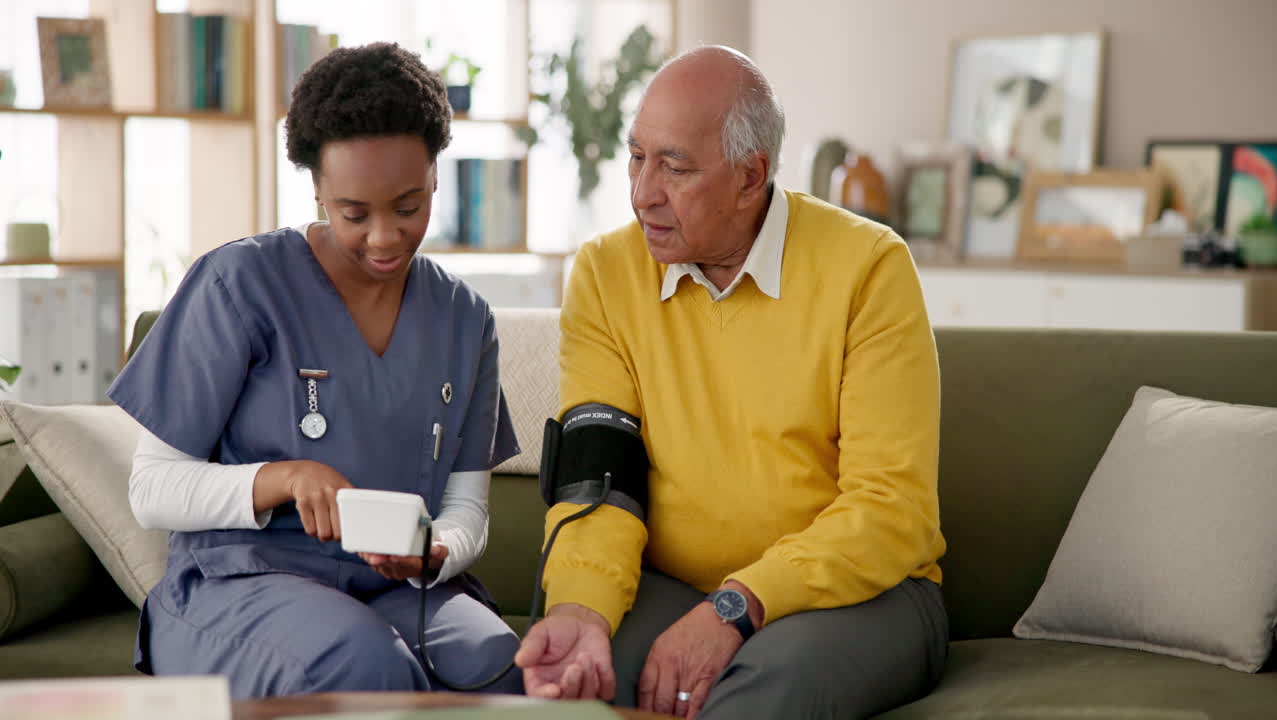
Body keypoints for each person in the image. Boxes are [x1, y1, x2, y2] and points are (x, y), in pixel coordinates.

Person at [515, 46, 948, 719]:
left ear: (751, 177)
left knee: (757, 697)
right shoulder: (605, 273)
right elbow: (601, 480)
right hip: (670, 584)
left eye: (674, 167)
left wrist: (738, 605)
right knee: (580, 680)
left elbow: (891, 509)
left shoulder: (869, 268)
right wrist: (582, 607)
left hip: (861, 596)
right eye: (636, 157)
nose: (642, 193)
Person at [108, 42, 523, 699]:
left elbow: (467, 509)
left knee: (504, 667)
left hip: (398, 591)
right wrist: (284, 478)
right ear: (317, 189)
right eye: (353, 214)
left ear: (436, 176)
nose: (383, 237)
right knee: (360, 669)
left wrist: (437, 551)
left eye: (408, 207)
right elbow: (152, 489)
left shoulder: (464, 319)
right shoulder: (240, 284)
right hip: (241, 584)